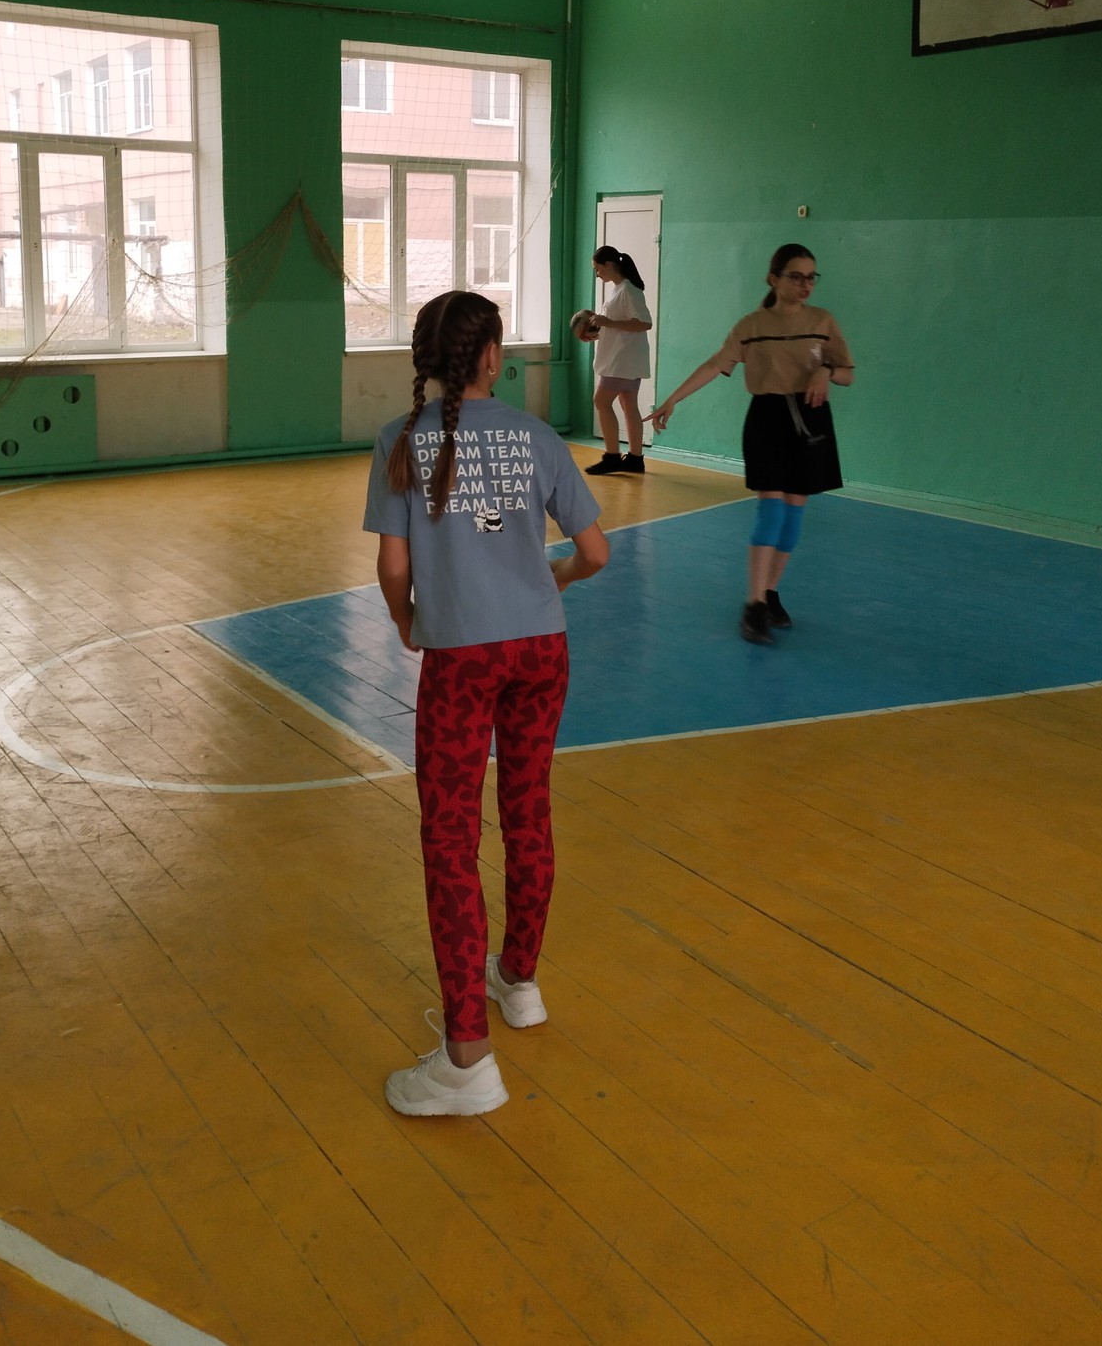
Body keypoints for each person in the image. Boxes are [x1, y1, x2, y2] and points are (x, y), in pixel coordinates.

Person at [364, 290, 609, 1116]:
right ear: (494, 356)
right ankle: (521, 979)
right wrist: (552, 582)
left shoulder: (401, 439)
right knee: (528, 809)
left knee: (450, 840)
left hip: (462, 658)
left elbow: (394, 567)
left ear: (428, 360)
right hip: (542, 649)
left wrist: (406, 620)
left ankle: (467, 1055)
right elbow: (595, 551)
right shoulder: (537, 436)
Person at [650, 243, 853, 645]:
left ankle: (771, 593)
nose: (806, 284)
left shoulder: (823, 321)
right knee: (771, 511)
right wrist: (673, 399)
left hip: (811, 421)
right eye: (796, 276)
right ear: (773, 279)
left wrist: (826, 371)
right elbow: (715, 364)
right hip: (768, 421)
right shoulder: (752, 326)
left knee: (793, 515)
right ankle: (754, 605)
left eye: (811, 276)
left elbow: (847, 372)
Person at [584, 245, 653, 476]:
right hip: (625, 359)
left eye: (597, 268)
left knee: (601, 402)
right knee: (628, 404)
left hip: (621, 360)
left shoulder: (629, 290)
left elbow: (644, 323)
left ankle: (612, 457)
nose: (597, 274)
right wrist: (599, 332)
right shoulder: (619, 290)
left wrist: (608, 323)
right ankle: (635, 459)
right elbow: (620, 326)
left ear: (609, 265)